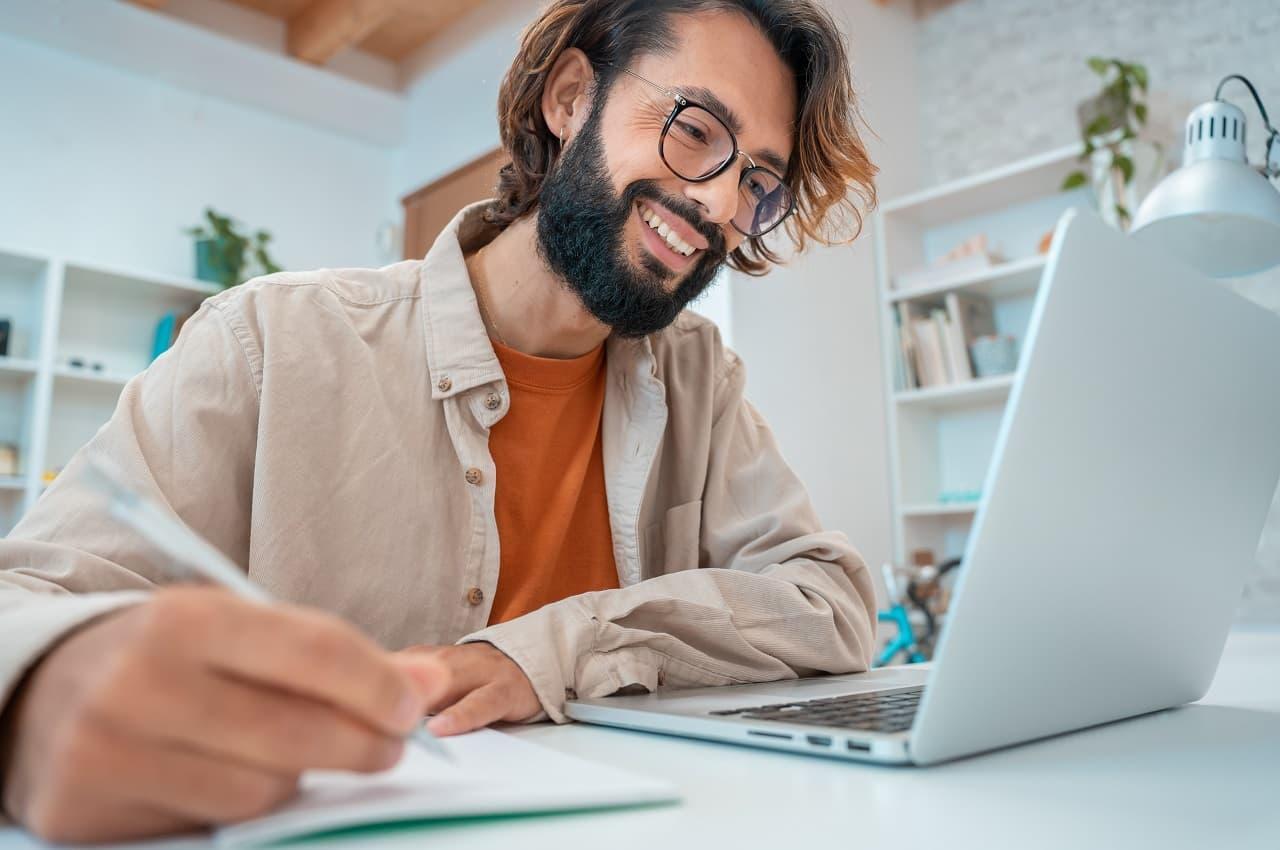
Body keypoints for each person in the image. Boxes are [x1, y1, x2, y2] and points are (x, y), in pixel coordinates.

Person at [0, 0, 878, 842]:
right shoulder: (267, 340)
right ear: (571, 97)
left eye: (758, 182)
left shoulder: (699, 379)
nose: (723, 208)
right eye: (696, 132)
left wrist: (550, 654)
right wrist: (41, 691)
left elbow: (828, 604)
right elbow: (27, 597)